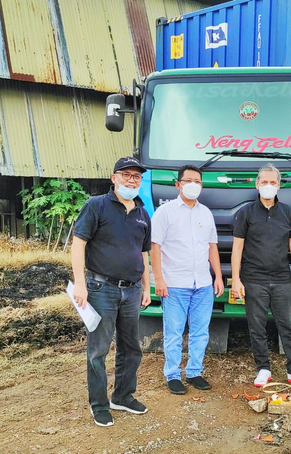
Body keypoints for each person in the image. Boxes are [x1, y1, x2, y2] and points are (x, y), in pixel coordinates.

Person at [71, 156, 152, 427]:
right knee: (99, 350)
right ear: (113, 177)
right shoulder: (96, 206)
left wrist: (146, 286)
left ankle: (123, 396)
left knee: (131, 348)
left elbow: (143, 254)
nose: (132, 180)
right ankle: (99, 404)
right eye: (126, 175)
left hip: (132, 291)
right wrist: (80, 283)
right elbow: (78, 244)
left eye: (137, 176)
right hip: (100, 288)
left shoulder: (142, 214)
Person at [231, 163, 291, 391]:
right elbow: (237, 248)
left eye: (273, 182)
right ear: (257, 184)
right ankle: (263, 368)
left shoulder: (287, 212)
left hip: (281, 279)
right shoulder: (245, 213)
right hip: (253, 279)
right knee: (256, 326)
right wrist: (236, 279)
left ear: (279, 186)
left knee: (287, 325)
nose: (268, 186)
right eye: (264, 182)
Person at [150, 165, 224, 395]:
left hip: (202, 284)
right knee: (173, 331)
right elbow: (155, 247)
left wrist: (218, 276)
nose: (194, 185)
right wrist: (159, 279)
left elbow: (212, 247)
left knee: (200, 331)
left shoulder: (206, 213)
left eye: (198, 181)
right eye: (189, 180)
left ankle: (194, 372)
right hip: (174, 284)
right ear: (178, 184)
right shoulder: (165, 212)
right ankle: (172, 374)